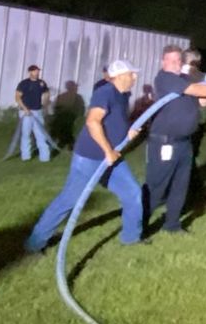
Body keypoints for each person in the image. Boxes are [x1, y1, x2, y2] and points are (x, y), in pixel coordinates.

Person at [24, 60, 147, 253]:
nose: (135, 77)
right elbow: (92, 122)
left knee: (133, 194)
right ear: (121, 75)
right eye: (132, 74)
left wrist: (128, 133)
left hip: (112, 159)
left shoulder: (123, 95)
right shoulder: (105, 93)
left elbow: (114, 122)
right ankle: (34, 243)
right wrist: (108, 151)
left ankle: (131, 239)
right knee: (68, 201)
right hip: (90, 158)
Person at [142, 46, 206, 236]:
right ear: (163, 62)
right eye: (172, 60)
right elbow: (194, 89)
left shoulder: (184, 79)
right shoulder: (165, 78)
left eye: (179, 60)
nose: (177, 64)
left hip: (184, 142)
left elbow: (201, 99)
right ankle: (139, 226)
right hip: (164, 143)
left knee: (181, 186)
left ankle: (172, 225)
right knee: (157, 187)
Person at [12, 64, 53, 163]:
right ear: (30, 72)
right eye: (35, 71)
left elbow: (47, 93)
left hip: (37, 111)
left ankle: (45, 158)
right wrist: (25, 109)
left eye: (38, 71)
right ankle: (26, 157)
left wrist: (45, 103)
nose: (37, 73)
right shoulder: (24, 83)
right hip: (26, 113)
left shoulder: (41, 83)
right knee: (26, 134)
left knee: (41, 134)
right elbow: (17, 97)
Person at [50, 79, 85, 147]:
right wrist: (79, 117)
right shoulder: (78, 97)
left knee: (63, 132)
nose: (76, 88)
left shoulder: (61, 96)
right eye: (75, 87)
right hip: (71, 118)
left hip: (60, 118)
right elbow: (81, 109)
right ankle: (69, 144)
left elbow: (55, 108)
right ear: (73, 87)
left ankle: (63, 144)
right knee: (68, 132)